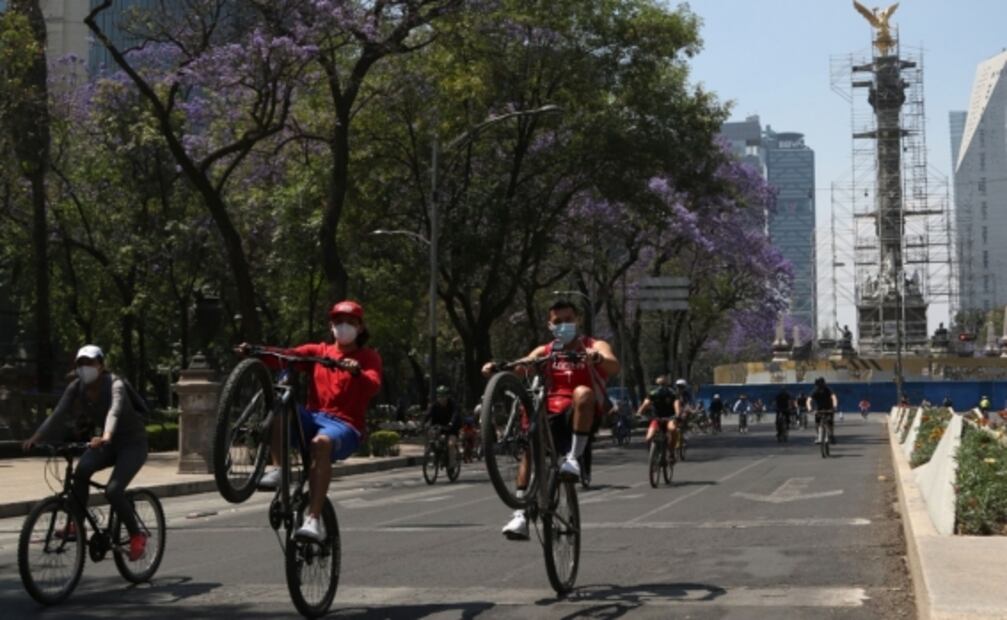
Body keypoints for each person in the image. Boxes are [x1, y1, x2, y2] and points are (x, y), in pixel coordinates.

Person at [241, 300, 382, 542]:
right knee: (281, 405)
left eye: (350, 322)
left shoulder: (368, 357)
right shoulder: (319, 352)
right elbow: (287, 356)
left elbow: (373, 385)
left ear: (360, 327)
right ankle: (278, 470)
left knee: (321, 443)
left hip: (344, 426)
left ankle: (313, 519)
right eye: (338, 322)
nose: (343, 326)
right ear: (331, 326)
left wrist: (356, 371)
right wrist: (256, 351)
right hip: (312, 417)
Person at [482, 299, 619, 540]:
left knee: (583, 392)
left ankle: (573, 459)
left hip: (579, 412)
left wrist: (596, 358)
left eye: (568, 320)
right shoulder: (544, 352)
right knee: (530, 450)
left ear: (577, 321)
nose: (563, 325)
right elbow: (521, 367)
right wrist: (496, 368)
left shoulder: (593, 345)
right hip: (548, 413)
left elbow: (613, 365)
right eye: (558, 322)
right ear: (550, 325)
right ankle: (520, 515)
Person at [22, 345, 150, 561]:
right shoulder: (76, 387)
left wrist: (107, 434)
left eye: (90, 363)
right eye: (80, 364)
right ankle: (75, 523)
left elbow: (114, 410)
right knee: (81, 472)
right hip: (106, 443)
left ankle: (137, 535)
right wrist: (36, 438)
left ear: (101, 365)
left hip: (132, 444)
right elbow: (58, 414)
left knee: (114, 490)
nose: (84, 368)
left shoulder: (115, 384)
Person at [637, 376, 680, 461]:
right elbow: (646, 403)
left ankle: (671, 452)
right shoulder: (653, 393)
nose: (661, 386)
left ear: (667, 384)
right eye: (660, 384)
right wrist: (639, 412)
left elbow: (676, 403)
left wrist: (678, 414)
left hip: (670, 418)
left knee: (673, 429)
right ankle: (653, 455)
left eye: (663, 384)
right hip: (656, 418)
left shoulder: (672, 393)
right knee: (648, 438)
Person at [424, 385, 460, 469]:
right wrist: (423, 424)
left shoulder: (452, 404)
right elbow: (428, 415)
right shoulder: (434, 406)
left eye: (443, 396)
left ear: (447, 396)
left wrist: (451, 423)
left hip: (451, 429)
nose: (441, 399)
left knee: (450, 445)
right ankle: (433, 459)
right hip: (439, 428)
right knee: (431, 440)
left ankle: (452, 464)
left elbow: (455, 415)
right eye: (439, 396)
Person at [808, 377, 838, 445]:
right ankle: (818, 436)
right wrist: (810, 408)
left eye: (821, 384)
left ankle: (831, 435)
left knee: (830, 422)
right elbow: (809, 400)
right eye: (818, 384)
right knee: (817, 424)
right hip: (819, 409)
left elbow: (834, 397)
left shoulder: (828, 389)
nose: (819, 385)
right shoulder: (815, 390)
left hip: (829, 408)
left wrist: (835, 406)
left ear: (824, 383)